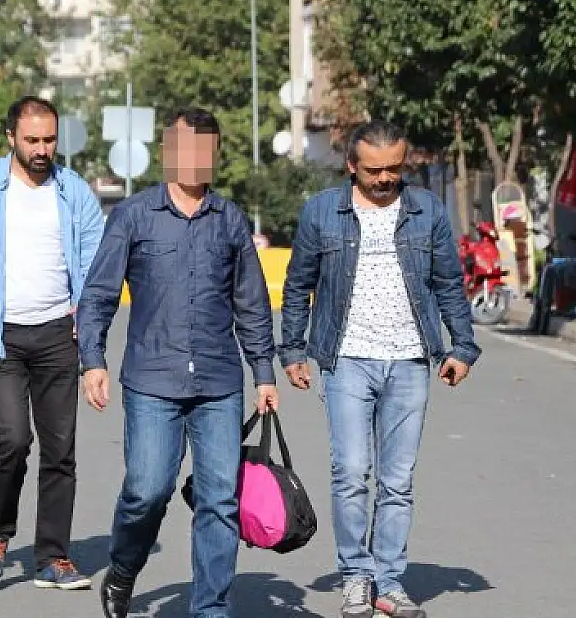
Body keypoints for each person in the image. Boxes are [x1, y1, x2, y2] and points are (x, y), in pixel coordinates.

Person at [76, 107, 280, 618]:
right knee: (147, 491)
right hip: (152, 380)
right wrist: (92, 360)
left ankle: (210, 608)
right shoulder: (133, 216)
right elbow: (99, 293)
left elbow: (251, 302)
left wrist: (263, 373)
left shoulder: (230, 219)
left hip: (218, 383)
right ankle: (124, 567)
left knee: (219, 500)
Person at [279, 120, 480, 618]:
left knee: (398, 480)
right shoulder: (321, 212)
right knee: (350, 472)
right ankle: (356, 575)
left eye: (394, 168)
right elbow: (298, 283)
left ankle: (389, 582)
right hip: (346, 359)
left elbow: (448, 282)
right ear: (352, 165)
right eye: (374, 170)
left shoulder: (426, 210)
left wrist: (462, 346)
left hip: (410, 359)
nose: (386, 178)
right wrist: (293, 350)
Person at [0, 95, 105, 590]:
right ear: (11, 137)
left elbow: (96, 265)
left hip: (57, 334)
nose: (41, 149)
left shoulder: (74, 191)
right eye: (32, 140)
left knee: (60, 450)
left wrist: (90, 332)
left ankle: (53, 556)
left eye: (49, 139)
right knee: (13, 438)